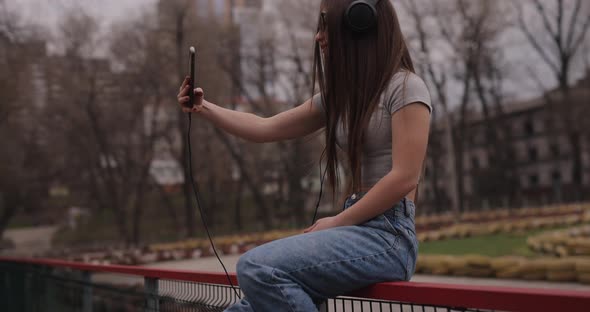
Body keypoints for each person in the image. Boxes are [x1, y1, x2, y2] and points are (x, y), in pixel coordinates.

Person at [176, 0, 431, 310]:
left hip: (388, 238)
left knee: (258, 268)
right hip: (355, 229)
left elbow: (405, 176)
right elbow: (265, 127)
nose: (318, 36)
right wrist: (205, 107)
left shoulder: (406, 88)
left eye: (326, 24)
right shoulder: (340, 97)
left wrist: (338, 221)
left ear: (357, 23)